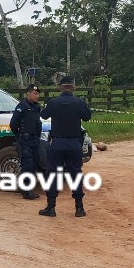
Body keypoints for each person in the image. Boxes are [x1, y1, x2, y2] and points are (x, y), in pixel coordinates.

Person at [38, 76, 92, 217]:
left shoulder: (53, 102)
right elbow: (87, 117)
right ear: (73, 87)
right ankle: (79, 208)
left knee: (52, 174)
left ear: (60, 87)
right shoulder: (80, 102)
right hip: (74, 143)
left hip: (57, 143)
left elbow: (43, 115)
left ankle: (51, 207)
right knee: (75, 174)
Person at [9, 83, 42, 200]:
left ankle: (29, 189)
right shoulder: (22, 106)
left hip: (34, 140)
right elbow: (13, 124)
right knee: (27, 165)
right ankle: (25, 190)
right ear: (28, 93)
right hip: (25, 140)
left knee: (33, 165)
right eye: (34, 93)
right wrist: (19, 136)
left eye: (38, 94)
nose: (37, 96)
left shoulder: (37, 107)